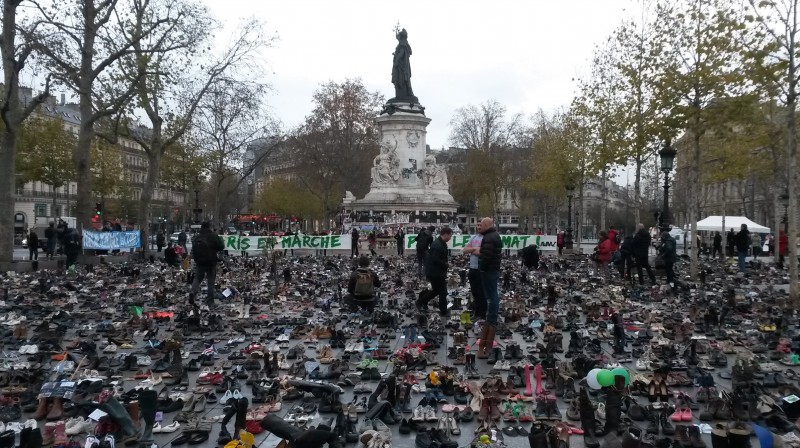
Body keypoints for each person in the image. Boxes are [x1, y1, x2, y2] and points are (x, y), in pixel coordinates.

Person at [477, 217, 502, 360]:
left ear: (487, 225)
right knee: (493, 294)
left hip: (489, 270)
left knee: (492, 295)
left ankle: (492, 317)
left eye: (481, 224)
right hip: (493, 269)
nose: (479, 226)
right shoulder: (494, 235)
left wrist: (482, 268)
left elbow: (486, 256)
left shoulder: (489, 237)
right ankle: (491, 316)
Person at [418, 226, 452, 316]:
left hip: (435, 272)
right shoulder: (438, 245)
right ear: (445, 235)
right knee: (442, 292)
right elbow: (435, 259)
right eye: (450, 236)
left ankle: (421, 301)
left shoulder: (439, 243)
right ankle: (443, 311)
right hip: (436, 273)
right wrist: (446, 265)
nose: (450, 238)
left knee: (436, 291)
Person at [190, 222, 225, 306]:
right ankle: (210, 301)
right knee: (210, 281)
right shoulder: (213, 236)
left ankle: (192, 292)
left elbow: (193, 250)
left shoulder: (197, 237)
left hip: (199, 262)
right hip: (211, 262)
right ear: (210, 227)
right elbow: (221, 246)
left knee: (197, 278)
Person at [462, 221, 485, 321]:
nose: (478, 227)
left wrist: (472, 249)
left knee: (481, 292)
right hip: (472, 268)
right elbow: (465, 249)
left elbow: (482, 252)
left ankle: (482, 313)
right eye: (478, 225)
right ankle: (477, 312)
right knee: (474, 292)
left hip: (481, 269)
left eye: (480, 225)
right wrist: (475, 249)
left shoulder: (486, 238)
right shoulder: (473, 237)